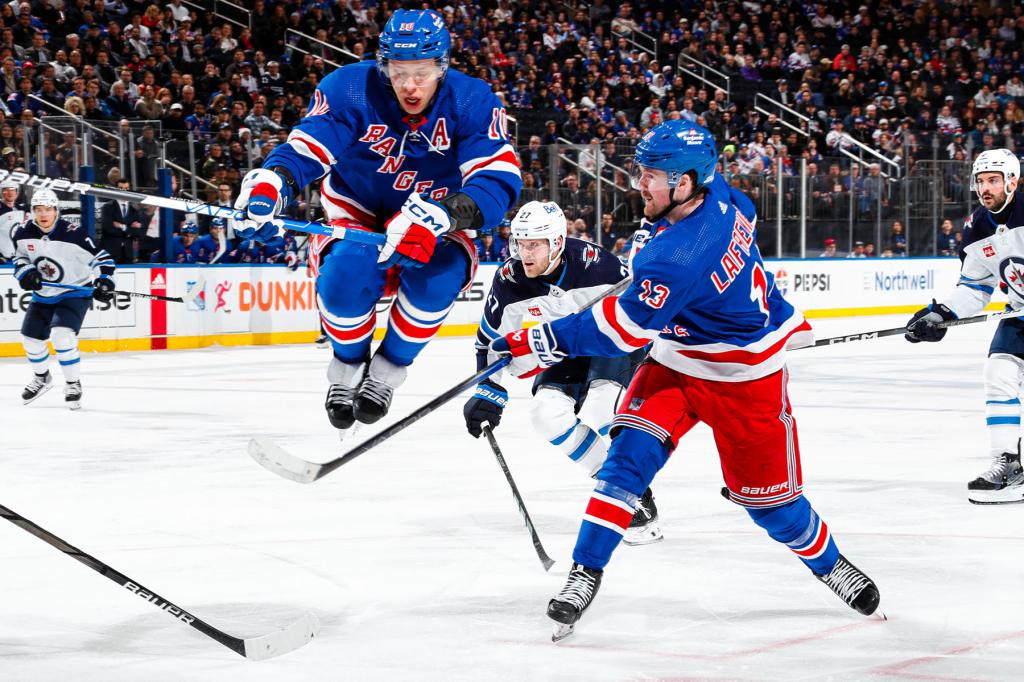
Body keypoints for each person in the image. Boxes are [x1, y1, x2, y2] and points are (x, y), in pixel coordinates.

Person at [490, 121, 881, 640]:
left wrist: (533, 341)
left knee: (773, 507)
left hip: (745, 378)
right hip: (676, 361)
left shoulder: (682, 253)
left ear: (685, 181)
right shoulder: (721, 194)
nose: (639, 184)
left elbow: (621, 331)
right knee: (626, 463)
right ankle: (584, 571)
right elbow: (741, 216)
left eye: (651, 175)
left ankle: (831, 564)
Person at [233, 9, 521, 438]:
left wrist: (444, 214)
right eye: (398, 71)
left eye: (421, 73)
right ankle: (347, 367)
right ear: (383, 64)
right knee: (345, 277)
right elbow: (310, 144)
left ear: (442, 65)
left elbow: (496, 180)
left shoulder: (471, 99)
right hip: (358, 209)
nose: (409, 85)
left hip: (436, 215)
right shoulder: (349, 87)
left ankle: (387, 371)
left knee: (438, 278)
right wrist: (274, 181)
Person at [464, 200, 659, 544]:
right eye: (520, 243)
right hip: (564, 344)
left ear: (556, 243)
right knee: (545, 414)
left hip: (610, 339)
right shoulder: (510, 280)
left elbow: (639, 310)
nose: (525, 253)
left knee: (602, 406)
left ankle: (630, 489)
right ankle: (622, 489)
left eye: (534, 244)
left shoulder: (597, 266)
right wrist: (488, 390)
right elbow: (488, 341)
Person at [905, 149, 1024, 504]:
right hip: (1018, 313)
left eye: (993, 180)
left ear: (1013, 181)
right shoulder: (977, 228)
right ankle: (1008, 463)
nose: (985, 188)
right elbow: (975, 289)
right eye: (980, 181)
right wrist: (941, 314)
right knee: (999, 369)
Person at [12, 188, 116, 409]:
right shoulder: (22, 232)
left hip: (74, 291)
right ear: (32, 211)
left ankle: (72, 383)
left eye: (48, 209)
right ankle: (42, 378)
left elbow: (102, 258)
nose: (43, 214)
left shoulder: (74, 233)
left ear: (56, 211)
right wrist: (26, 273)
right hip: (44, 294)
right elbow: (19, 258)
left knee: (62, 336)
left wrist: (104, 280)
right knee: (30, 341)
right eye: (38, 209)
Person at [99, 180, 143, 264]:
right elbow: (108, 229)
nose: (124, 191)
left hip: (128, 254)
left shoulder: (134, 211)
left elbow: (138, 233)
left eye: (126, 188)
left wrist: (122, 227)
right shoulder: (108, 207)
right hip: (111, 251)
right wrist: (129, 230)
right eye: (121, 188)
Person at [0, 178, 27, 261]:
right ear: (1, 192)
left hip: (17, 256)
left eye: (12, 190)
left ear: (17, 192)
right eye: (6, 190)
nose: (10, 193)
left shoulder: (22, 208)